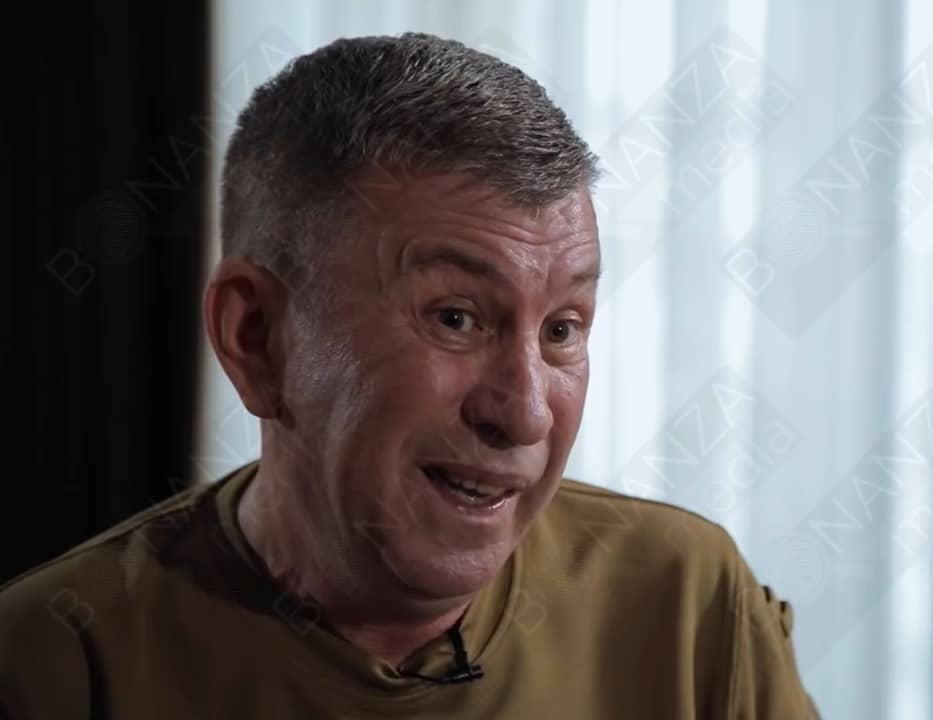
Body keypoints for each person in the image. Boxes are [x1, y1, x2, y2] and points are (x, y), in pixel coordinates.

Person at [0, 32, 818, 719]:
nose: (526, 414)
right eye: (456, 318)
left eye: (562, 330)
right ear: (256, 339)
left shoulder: (686, 606)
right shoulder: (54, 663)